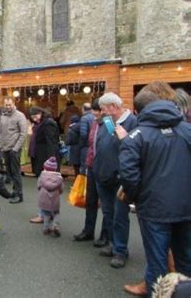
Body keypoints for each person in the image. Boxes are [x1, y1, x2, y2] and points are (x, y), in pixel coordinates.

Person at [119, 88, 191, 295]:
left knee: (157, 260)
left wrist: (134, 198)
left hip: (153, 209)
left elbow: (129, 176)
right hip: (186, 207)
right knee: (185, 258)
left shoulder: (135, 137)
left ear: (137, 110)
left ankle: (156, 293)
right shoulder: (187, 131)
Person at [94, 92, 137, 269]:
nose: (102, 112)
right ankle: (112, 243)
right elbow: (100, 145)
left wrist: (125, 139)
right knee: (108, 213)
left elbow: (136, 150)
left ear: (113, 107)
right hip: (103, 175)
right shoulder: (106, 122)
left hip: (121, 177)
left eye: (104, 109)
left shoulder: (133, 122)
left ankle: (120, 250)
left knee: (120, 215)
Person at [73, 99, 108, 247]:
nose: (94, 113)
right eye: (94, 110)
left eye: (97, 110)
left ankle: (105, 236)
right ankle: (88, 231)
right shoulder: (94, 123)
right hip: (92, 167)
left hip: (104, 168)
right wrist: (86, 165)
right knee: (90, 200)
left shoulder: (109, 125)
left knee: (106, 204)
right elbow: (90, 146)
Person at [28, 106, 61, 223]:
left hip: (45, 161)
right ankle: (47, 214)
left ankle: (43, 215)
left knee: (45, 190)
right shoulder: (41, 123)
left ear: (41, 113)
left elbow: (51, 143)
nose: (35, 119)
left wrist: (50, 164)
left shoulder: (48, 123)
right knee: (46, 190)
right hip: (42, 159)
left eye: (36, 115)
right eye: (32, 117)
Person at [0, 96, 27, 204]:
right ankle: (14, 192)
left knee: (16, 172)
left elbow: (23, 134)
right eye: (6, 105)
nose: (8, 107)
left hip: (14, 149)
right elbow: (0, 132)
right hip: (5, 148)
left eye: (10, 104)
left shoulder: (20, 116)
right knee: (9, 172)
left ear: (14, 104)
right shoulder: (3, 116)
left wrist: (15, 148)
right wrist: (1, 145)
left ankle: (19, 194)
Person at [37, 157, 63, 237]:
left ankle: (46, 228)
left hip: (44, 199)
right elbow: (61, 189)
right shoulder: (59, 178)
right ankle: (55, 226)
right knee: (56, 213)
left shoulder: (42, 176)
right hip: (55, 199)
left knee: (46, 213)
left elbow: (38, 186)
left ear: (45, 167)